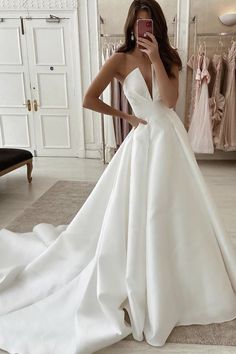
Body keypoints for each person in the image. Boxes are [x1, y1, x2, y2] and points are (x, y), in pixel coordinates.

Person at [0, 1, 236, 354]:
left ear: (156, 26)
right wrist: (125, 118)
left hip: (170, 140)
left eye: (149, 23)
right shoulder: (120, 60)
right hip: (142, 142)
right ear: (131, 25)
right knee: (139, 211)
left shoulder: (169, 56)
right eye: (139, 23)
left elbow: (169, 102)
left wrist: (156, 57)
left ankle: (184, 273)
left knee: (178, 209)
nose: (144, 29)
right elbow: (89, 99)